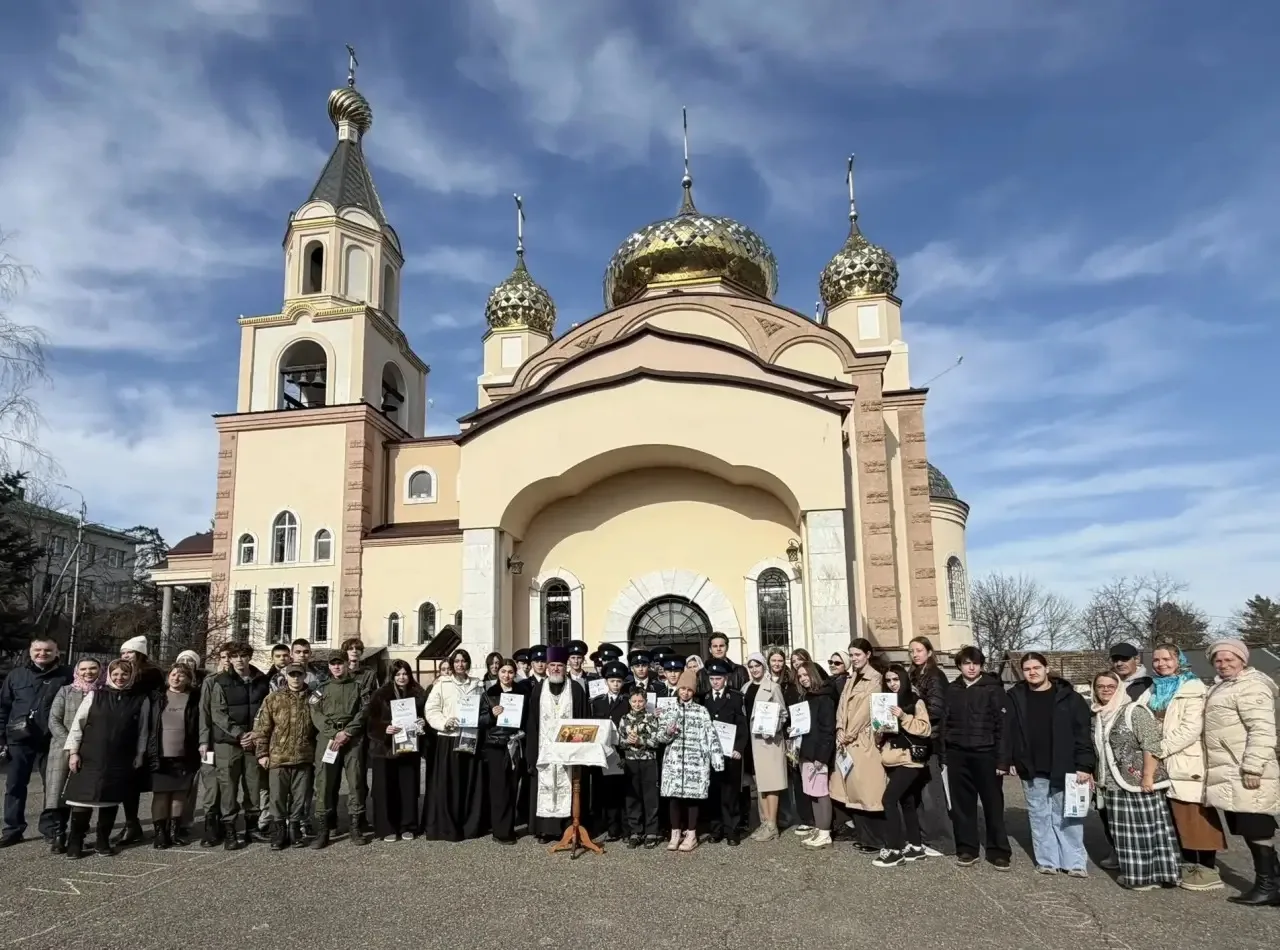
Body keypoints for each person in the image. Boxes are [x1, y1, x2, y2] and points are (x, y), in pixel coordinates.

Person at [1139, 643, 1224, 891]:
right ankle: (1186, 866)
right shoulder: (1153, 688)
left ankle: (1207, 869)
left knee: (1195, 816)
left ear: (1179, 660)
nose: (1161, 664)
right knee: (1174, 818)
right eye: (1157, 660)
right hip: (1159, 760)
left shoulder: (1192, 688)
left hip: (1185, 759)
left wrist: (1158, 750)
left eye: (1167, 659)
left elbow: (1190, 728)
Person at [1202, 638, 1280, 906]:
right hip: (1230, 769)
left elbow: (1262, 729)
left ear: (1243, 661)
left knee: (1256, 827)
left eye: (1229, 659)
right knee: (1250, 827)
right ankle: (1273, 883)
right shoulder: (1223, 686)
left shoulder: (1251, 687)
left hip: (1246, 769)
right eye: (1218, 660)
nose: (1223, 664)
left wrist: (1253, 766)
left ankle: (1267, 886)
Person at [1004, 652, 1093, 877]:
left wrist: (1084, 764)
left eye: (1036, 667)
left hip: (1065, 765)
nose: (1032, 672)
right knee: (1039, 815)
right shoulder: (1015, 697)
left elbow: (1083, 733)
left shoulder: (1070, 698)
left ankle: (1074, 862)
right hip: (1031, 765)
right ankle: (1047, 860)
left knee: (1068, 815)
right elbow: (1009, 731)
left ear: (1046, 668)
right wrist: (1010, 759)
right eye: (1027, 669)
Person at [1090, 671, 1181, 890]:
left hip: (1139, 781)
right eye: (1100, 686)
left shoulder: (1134, 711)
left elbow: (1151, 744)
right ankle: (1140, 876)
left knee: (1149, 830)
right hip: (1113, 783)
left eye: (1110, 686)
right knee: (1127, 836)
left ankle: (1160, 874)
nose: (1105, 690)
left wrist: (1148, 776)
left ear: (1119, 688)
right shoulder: (1098, 714)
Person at [61, 659, 151, 858]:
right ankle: (75, 842)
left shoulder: (140, 699)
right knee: (81, 800)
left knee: (110, 800)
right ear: (109, 675)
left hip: (120, 757)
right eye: (116, 674)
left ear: (131, 676)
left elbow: (143, 731)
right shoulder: (95, 695)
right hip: (90, 755)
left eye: (125, 674)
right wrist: (73, 752)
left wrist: (139, 754)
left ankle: (102, 841)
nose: (120, 678)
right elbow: (77, 725)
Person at [0, 637, 72, 848]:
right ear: (30, 652)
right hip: (19, 739)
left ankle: (52, 829)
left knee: (54, 786)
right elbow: (3, 707)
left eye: (48, 650)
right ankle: (13, 829)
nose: (42, 654)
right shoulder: (16, 675)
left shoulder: (67, 675)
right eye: (37, 650)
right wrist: (1, 738)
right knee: (14, 785)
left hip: (53, 740)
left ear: (57, 652)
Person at [944, 645, 1011, 870]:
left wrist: (1003, 760)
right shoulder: (952, 689)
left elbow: (1004, 726)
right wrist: (945, 754)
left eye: (975, 663)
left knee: (993, 804)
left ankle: (998, 850)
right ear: (959, 666)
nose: (971, 667)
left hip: (986, 753)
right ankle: (967, 848)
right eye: (966, 663)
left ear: (981, 665)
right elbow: (945, 722)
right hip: (958, 754)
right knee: (962, 805)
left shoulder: (993, 689)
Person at [423, 649, 489, 841]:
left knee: (469, 782)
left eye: (464, 661)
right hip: (449, 737)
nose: (460, 664)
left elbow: (483, 709)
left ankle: (469, 825)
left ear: (468, 664)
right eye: (457, 661)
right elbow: (431, 709)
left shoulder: (477, 685)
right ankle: (448, 826)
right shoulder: (442, 685)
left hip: (470, 737)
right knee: (450, 783)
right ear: (452, 664)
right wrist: (444, 722)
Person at [523, 645, 588, 841]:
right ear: (548, 667)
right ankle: (544, 830)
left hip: (569, 753)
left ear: (565, 666)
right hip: (544, 751)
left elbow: (583, 720)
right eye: (552, 665)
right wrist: (531, 754)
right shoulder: (538, 690)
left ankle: (567, 829)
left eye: (559, 665)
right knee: (545, 786)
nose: (556, 669)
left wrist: (581, 752)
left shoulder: (576, 689)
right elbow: (532, 724)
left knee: (568, 786)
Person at [209, 642, 270, 849]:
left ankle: (252, 829)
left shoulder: (261, 680)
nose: (238, 660)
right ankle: (230, 831)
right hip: (228, 743)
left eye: (243, 656)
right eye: (234, 656)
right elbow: (218, 713)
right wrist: (239, 734)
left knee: (253, 786)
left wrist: (256, 733)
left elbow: (266, 710)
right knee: (228, 787)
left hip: (253, 742)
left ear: (249, 657)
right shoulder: (221, 682)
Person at [656, 665, 723, 852]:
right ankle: (675, 833)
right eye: (682, 689)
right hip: (674, 762)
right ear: (678, 689)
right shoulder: (669, 710)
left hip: (696, 762)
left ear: (693, 691)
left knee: (693, 798)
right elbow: (659, 737)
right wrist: (668, 732)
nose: (685, 693)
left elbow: (711, 736)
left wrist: (717, 760)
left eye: (689, 689)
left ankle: (691, 834)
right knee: (674, 799)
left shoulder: (701, 711)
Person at [873, 664, 933, 867]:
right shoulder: (883, 702)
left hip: (910, 759)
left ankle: (894, 850)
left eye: (896, 679)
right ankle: (915, 846)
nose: (892, 684)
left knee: (889, 800)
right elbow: (882, 736)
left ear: (903, 679)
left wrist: (903, 716)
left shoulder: (914, 701)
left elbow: (924, 729)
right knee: (907, 801)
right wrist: (879, 731)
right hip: (892, 758)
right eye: (888, 680)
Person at [829, 639, 886, 852]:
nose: (854, 659)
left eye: (858, 655)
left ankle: (875, 839)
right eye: (851, 655)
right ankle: (863, 836)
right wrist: (839, 728)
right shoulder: (852, 677)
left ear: (868, 655)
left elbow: (865, 711)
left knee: (867, 791)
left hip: (862, 740)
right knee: (853, 791)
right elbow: (842, 705)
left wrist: (848, 733)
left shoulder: (875, 679)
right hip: (847, 739)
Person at [253, 661, 316, 850]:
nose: (295, 678)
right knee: (277, 797)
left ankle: (294, 830)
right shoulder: (273, 698)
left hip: (304, 757)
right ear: (286, 677)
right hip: (278, 757)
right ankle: (279, 831)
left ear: (304, 676)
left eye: (299, 674)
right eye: (292, 675)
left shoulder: (313, 698)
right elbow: (262, 728)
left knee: (300, 797)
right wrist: (262, 753)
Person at [310, 650, 369, 849]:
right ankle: (324, 829)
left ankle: (355, 826)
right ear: (329, 666)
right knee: (324, 783)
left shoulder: (358, 687)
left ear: (346, 664)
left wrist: (348, 732)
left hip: (352, 739)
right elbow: (315, 713)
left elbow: (364, 711)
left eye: (340, 663)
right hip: (328, 740)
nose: (336, 667)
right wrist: (334, 733)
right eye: (333, 664)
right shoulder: (321, 689)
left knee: (356, 781)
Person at [45, 657, 102, 854]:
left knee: (83, 795)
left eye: (93, 668)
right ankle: (58, 835)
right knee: (59, 793)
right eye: (83, 669)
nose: (88, 672)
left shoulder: (103, 693)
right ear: (77, 671)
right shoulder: (66, 691)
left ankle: (78, 835)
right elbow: (54, 720)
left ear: (100, 671)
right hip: (62, 749)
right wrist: (71, 744)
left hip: (90, 751)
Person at [113, 636, 165, 847]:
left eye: (130, 652)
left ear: (140, 654)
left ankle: (137, 824)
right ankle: (131, 823)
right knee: (128, 782)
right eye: (123, 653)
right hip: (131, 728)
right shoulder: (127, 672)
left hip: (146, 729)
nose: (125, 656)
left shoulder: (148, 673)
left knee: (135, 780)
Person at [367, 660, 426, 842]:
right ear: (392, 676)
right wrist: (384, 728)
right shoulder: (380, 694)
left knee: (408, 788)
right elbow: (370, 721)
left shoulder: (419, 694)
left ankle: (408, 826)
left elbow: (426, 715)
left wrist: (422, 722)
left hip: (409, 747)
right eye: (398, 674)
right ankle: (387, 828)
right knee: (386, 789)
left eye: (405, 673)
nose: (402, 677)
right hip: (385, 749)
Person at [907, 636, 954, 857]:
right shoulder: (914, 674)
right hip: (915, 737)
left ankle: (942, 841)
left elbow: (936, 710)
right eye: (911, 651)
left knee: (932, 793)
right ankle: (925, 836)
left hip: (931, 739)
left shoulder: (934, 675)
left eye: (919, 650)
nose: (915, 654)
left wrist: (910, 714)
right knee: (919, 791)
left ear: (929, 652)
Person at [147, 664, 201, 849]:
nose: (176, 678)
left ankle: (174, 832)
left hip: (185, 753)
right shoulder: (156, 697)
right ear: (168, 676)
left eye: (182, 675)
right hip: (160, 754)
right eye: (173, 674)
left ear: (189, 679)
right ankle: (160, 834)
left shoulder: (194, 698)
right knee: (161, 794)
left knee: (179, 794)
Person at [792, 660, 837, 850]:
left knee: (821, 793)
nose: (803, 679)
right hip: (805, 751)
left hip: (817, 753)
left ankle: (825, 832)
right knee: (811, 792)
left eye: (806, 675)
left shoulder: (824, 698)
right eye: (800, 676)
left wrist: (821, 757)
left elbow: (828, 730)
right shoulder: (805, 697)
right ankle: (819, 828)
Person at [744, 651, 788, 841]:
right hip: (752, 743)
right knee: (760, 783)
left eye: (757, 666)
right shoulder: (746, 687)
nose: (754, 669)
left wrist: (773, 727)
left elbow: (783, 714)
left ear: (764, 667)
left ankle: (772, 824)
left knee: (771, 784)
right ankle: (764, 822)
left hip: (769, 742)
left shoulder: (773, 687)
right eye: (751, 666)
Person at [703, 658, 747, 846]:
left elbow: (742, 726)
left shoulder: (735, 698)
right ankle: (716, 830)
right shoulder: (705, 698)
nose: (715, 682)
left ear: (726, 679)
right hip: (712, 754)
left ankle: (732, 831)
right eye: (712, 679)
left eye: (718, 679)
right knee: (714, 792)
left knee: (730, 794)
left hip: (730, 754)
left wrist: (738, 748)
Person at [483, 659, 524, 844]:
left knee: (513, 786)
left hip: (515, 743)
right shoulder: (489, 693)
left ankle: (509, 827)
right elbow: (480, 720)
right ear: (497, 673)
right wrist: (492, 715)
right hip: (496, 745)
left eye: (510, 672)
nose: (506, 675)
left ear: (514, 673)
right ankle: (500, 832)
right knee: (499, 789)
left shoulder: (522, 692)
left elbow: (527, 717)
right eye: (503, 671)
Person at [588, 660, 630, 842]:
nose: (615, 685)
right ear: (606, 682)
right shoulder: (597, 703)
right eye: (612, 681)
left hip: (621, 752)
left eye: (619, 681)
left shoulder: (627, 702)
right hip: (603, 752)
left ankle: (624, 828)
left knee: (622, 790)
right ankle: (609, 827)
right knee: (605, 791)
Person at [617, 686, 662, 848]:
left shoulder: (651, 718)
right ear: (629, 702)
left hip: (648, 761)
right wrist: (627, 742)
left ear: (646, 702)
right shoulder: (624, 719)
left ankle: (652, 831)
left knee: (650, 797)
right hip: (631, 761)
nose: (637, 704)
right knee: (632, 797)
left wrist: (640, 741)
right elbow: (619, 742)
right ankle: (635, 831)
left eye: (640, 701)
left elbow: (657, 741)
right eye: (634, 701)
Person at [198, 643, 232, 847]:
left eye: (231, 656)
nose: (227, 660)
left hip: (228, 743)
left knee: (227, 784)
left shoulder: (239, 680)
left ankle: (226, 823)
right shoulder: (210, 681)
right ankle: (211, 825)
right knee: (211, 784)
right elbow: (204, 713)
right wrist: (203, 740)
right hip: (210, 742)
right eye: (224, 657)